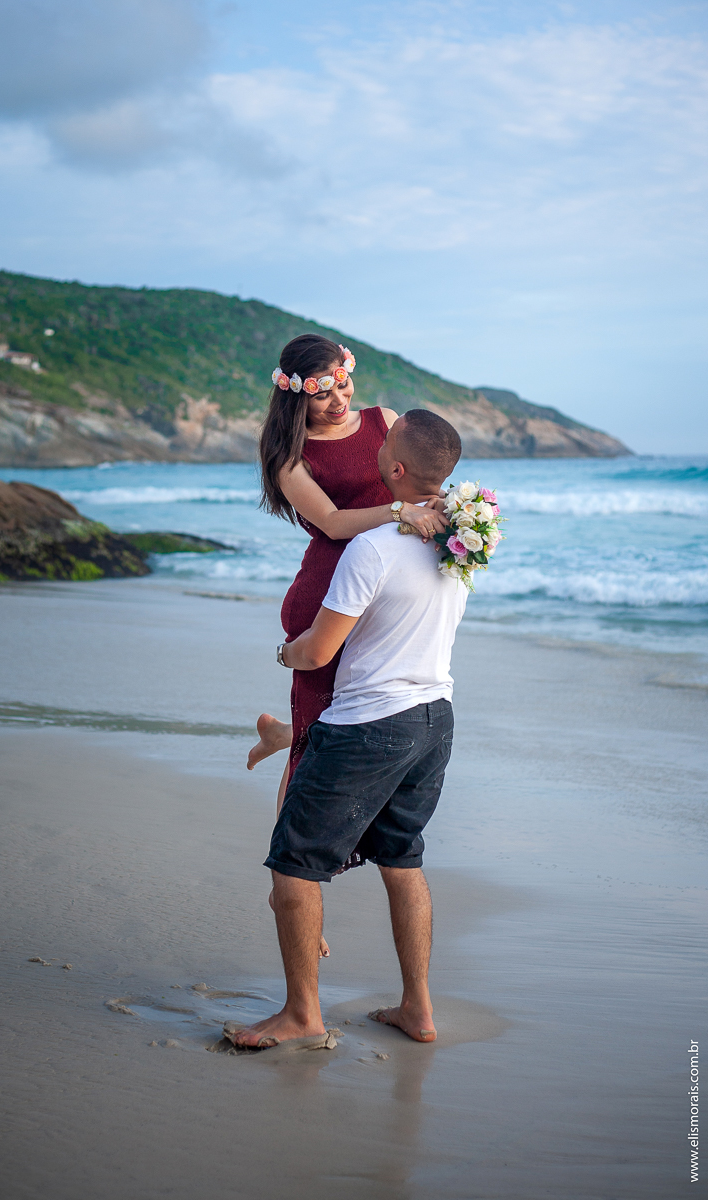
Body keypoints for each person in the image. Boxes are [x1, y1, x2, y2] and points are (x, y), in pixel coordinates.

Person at [230, 409, 465, 1049]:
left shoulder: (372, 547)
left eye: (382, 445)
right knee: (402, 857)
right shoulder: (461, 542)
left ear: (393, 469)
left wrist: (286, 653)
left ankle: (302, 1015)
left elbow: (316, 654)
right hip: (434, 719)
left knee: (295, 864)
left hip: (369, 725)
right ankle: (418, 1009)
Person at [248, 334, 448, 949]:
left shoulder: (384, 422)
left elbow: (420, 485)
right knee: (318, 732)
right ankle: (293, 883)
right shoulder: (289, 457)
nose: (338, 399)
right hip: (329, 593)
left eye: (342, 382)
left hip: (384, 592)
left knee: (360, 712)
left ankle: (281, 735)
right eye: (322, 391)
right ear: (294, 396)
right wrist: (401, 515)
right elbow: (333, 523)